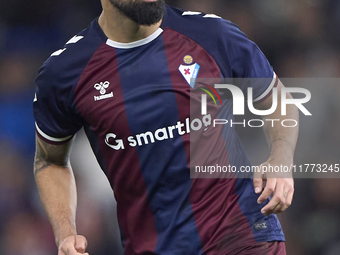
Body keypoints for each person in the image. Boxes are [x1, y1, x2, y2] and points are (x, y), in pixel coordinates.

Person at [33, 0, 297, 254]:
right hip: (151, 245)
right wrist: (66, 233)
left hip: (242, 234)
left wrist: (281, 158)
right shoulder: (65, 71)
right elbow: (50, 160)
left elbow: (276, 98)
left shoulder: (212, 35)